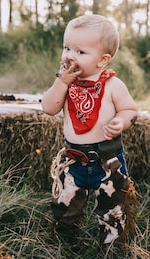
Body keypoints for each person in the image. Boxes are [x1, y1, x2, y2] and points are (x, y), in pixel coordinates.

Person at [41, 14, 138, 249]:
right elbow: (49, 108)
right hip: (73, 158)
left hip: (107, 159)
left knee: (113, 206)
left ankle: (112, 245)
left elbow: (130, 110)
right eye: (67, 48)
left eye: (80, 52)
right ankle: (67, 241)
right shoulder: (65, 84)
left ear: (102, 60)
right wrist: (62, 83)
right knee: (65, 205)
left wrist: (121, 120)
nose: (69, 56)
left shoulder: (113, 85)